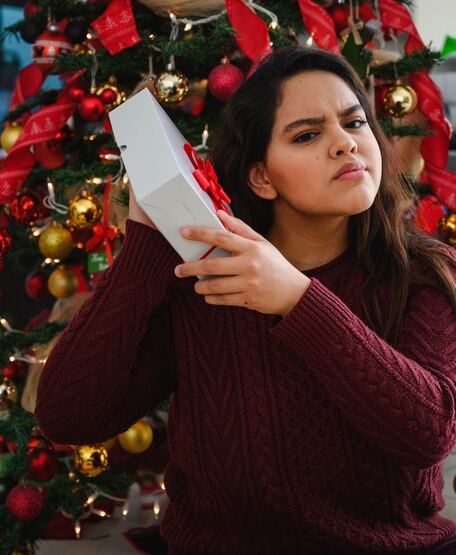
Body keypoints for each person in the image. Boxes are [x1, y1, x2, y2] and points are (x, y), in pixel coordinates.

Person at [35, 47, 456, 555]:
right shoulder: (204, 287)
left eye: (354, 122)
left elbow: (429, 433)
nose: (345, 144)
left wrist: (298, 300)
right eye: (307, 135)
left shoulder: (424, 274)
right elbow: (66, 416)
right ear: (261, 176)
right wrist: (144, 248)